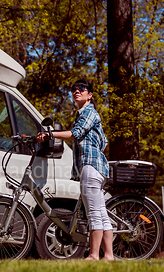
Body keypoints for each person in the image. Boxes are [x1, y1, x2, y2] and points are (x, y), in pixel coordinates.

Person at [36, 79, 113, 260]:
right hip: (96, 167)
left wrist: (49, 134)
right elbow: (105, 140)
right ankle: (108, 256)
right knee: (101, 212)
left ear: (90, 95)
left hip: (91, 166)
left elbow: (74, 134)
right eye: (73, 89)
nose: (76, 91)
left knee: (93, 212)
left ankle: (94, 255)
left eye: (81, 89)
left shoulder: (89, 112)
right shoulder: (87, 114)